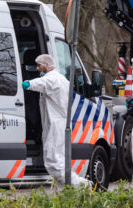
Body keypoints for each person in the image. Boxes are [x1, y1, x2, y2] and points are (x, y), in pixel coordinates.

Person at [22, 54, 89, 187]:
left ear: (47, 65)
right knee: (58, 160)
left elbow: (42, 83)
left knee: (54, 161)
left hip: (55, 124)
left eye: (39, 65)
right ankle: (67, 191)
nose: (37, 69)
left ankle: (81, 185)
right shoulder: (60, 78)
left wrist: (28, 83)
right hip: (56, 123)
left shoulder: (53, 79)